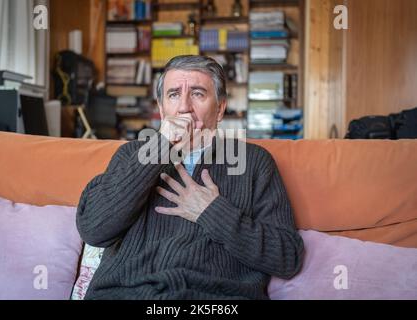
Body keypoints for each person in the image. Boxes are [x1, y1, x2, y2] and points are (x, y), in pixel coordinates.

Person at [76, 55, 304, 300]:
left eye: (197, 93)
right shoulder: (132, 155)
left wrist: (213, 212)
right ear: (162, 109)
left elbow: (286, 257)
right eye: (173, 94)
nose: (184, 107)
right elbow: (94, 229)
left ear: (220, 109)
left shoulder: (254, 162)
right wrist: (159, 148)